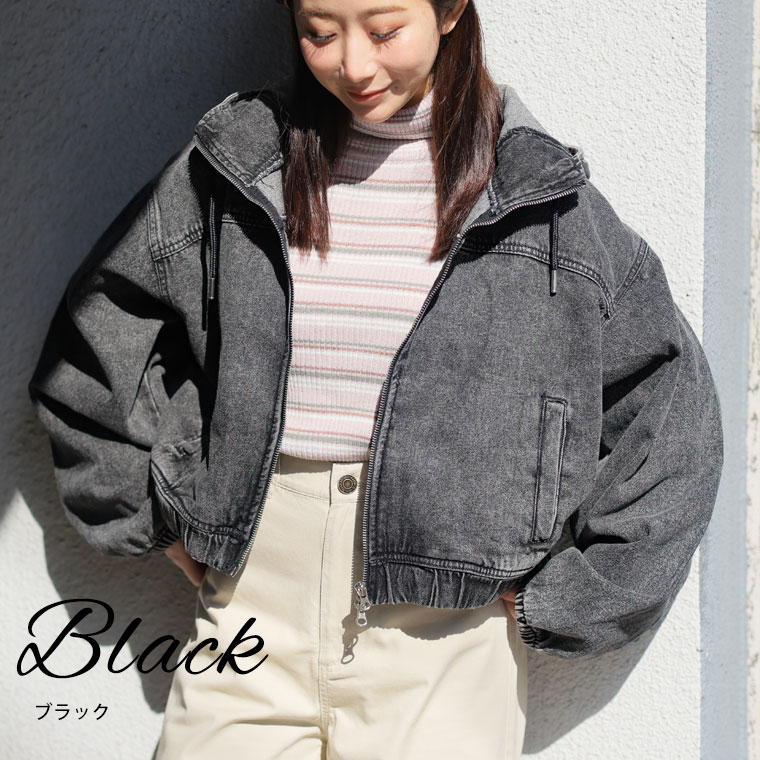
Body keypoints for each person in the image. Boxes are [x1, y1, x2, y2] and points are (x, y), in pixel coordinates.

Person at [27, 0, 724, 758]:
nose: (354, 65)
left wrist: (575, 598)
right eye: (319, 33)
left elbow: (671, 409)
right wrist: (153, 516)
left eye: (384, 30)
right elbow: (98, 334)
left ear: (450, 10)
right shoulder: (239, 164)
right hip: (251, 608)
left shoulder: (538, 198)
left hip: (445, 640)